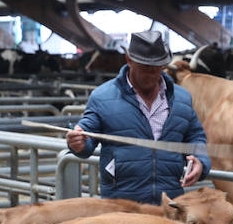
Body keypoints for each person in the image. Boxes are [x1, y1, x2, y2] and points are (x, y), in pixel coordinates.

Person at [66, 29, 210, 204]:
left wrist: (201, 162)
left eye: (156, 67)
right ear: (129, 60)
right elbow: (86, 138)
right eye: (144, 66)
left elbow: (196, 136)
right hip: (122, 203)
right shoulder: (103, 97)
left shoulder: (181, 98)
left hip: (169, 202)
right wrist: (78, 143)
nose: (150, 73)